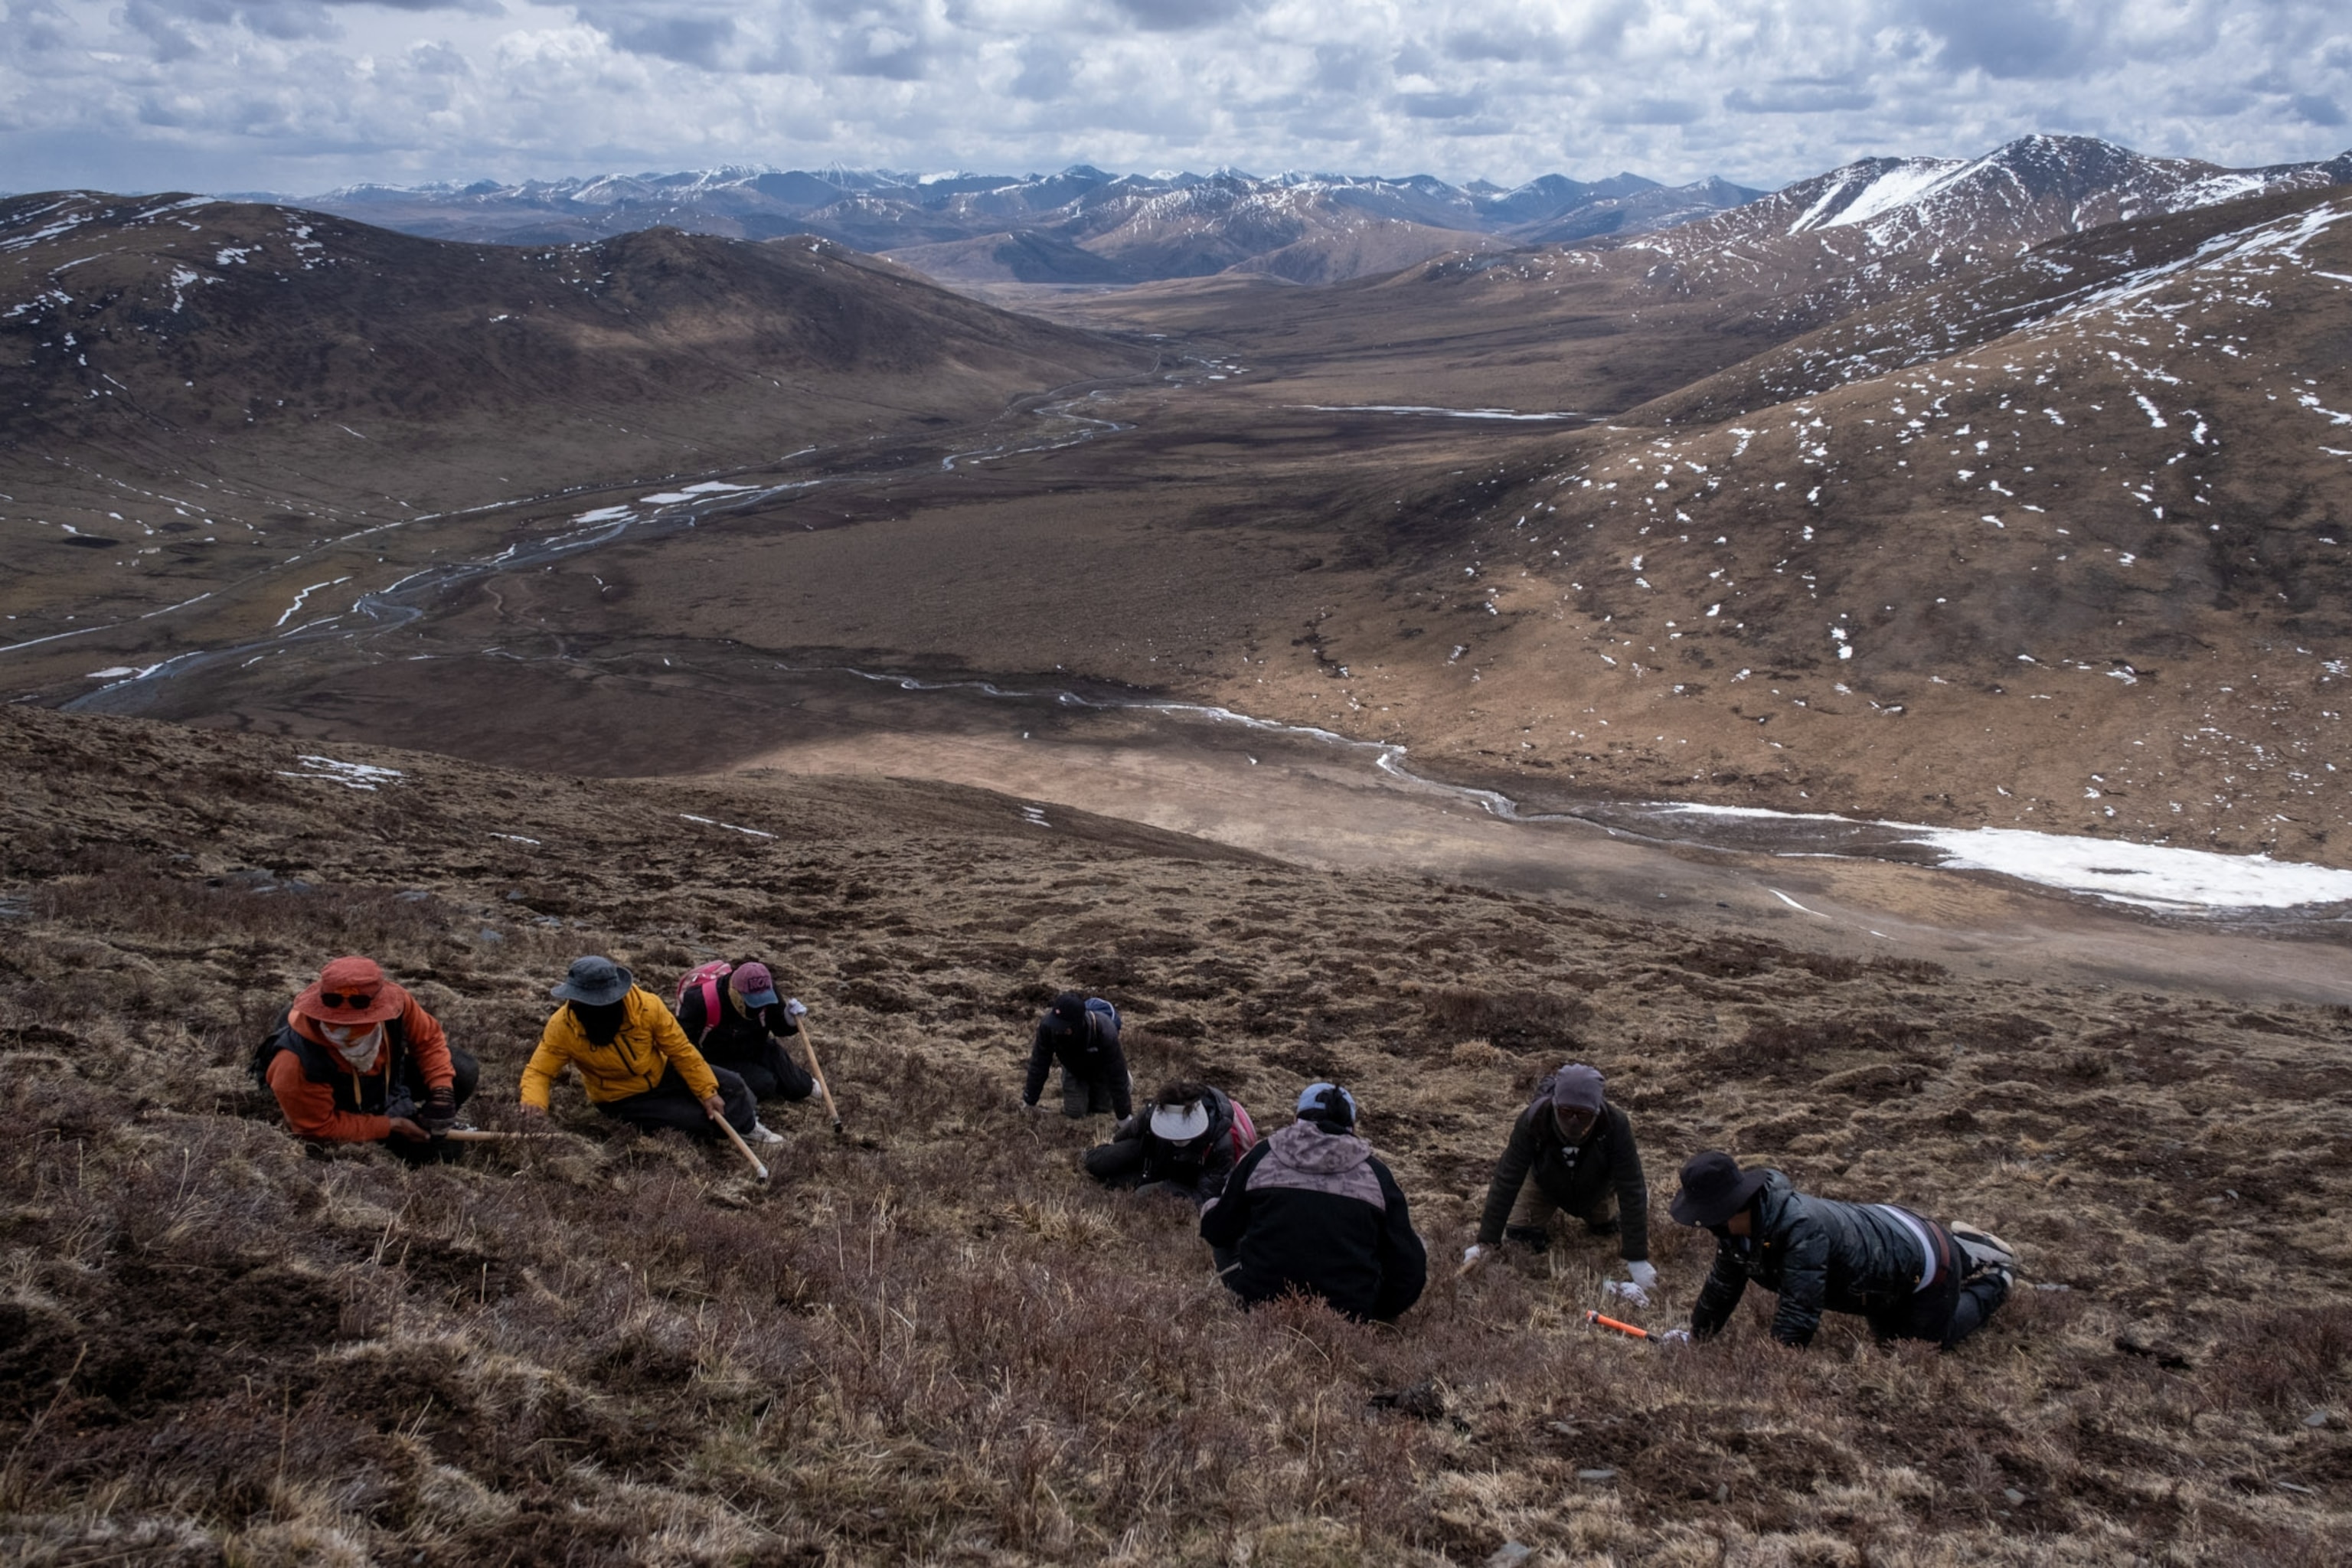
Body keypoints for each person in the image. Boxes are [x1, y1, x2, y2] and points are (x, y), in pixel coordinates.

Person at [1669, 1150, 2016, 1351]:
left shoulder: (1799, 1229)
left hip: (1926, 1262)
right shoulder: (1738, 1234)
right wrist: (1696, 1338)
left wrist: (1774, 1364)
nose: (1707, 1226)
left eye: (1709, 1217)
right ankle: (1966, 1249)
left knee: (1918, 1344)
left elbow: (1799, 1312)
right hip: (1893, 1232)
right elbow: (1722, 1287)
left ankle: (1998, 1280)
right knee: (1891, 1336)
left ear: (1733, 1206)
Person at [1200, 1083, 1427, 1325]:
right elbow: (1408, 1266)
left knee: (1221, 1216)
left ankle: (1245, 1301)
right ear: (1352, 1126)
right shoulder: (1376, 1174)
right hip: (1349, 1315)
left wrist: (1211, 1207)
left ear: (1296, 1118)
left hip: (1259, 1303)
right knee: (1413, 1245)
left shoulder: (1261, 1156)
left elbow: (1217, 1230)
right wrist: (1379, 1310)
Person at [520, 956, 777, 1145]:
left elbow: (680, 1050)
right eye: (578, 1000)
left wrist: (706, 1090)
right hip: (621, 1097)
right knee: (696, 1121)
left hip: (662, 1071)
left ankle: (747, 1126)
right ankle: (725, 1124)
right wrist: (533, 1105)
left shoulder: (647, 1007)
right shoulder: (563, 1026)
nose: (577, 1005)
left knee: (733, 1085)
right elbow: (540, 1071)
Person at [1462, 1063, 1657, 1302]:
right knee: (1522, 1237)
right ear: (1554, 1105)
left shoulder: (1616, 1124)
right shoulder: (1533, 1120)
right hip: (1544, 1184)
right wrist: (1486, 1243)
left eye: (1583, 1115)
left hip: (1596, 1186)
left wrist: (1637, 1258)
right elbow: (1507, 1178)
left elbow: (1631, 1185)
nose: (1574, 1121)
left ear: (1596, 1112)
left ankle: (1601, 1214)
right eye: (1565, 1112)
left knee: (1604, 1228)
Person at [259, 956, 476, 1155]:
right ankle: (404, 1133)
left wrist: (442, 1093)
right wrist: (390, 1126)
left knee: (463, 1070)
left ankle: (430, 1121)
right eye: (338, 1021)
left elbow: (429, 1041)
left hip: (386, 1083)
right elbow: (316, 1127)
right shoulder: (295, 1063)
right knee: (446, 1151)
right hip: (339, 1107)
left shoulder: (398, 1005)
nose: (346, 1028)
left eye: (357, 1020)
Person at [1083, 1080, 1253, 1207]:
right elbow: (1125, 1135)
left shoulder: (1220, 1143)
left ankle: (1140, 1185)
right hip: (1151, 1158)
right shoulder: (1153, 1112)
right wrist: (1117, 1153)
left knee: (1140, 1193)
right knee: (1096, 1163)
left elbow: (1205, 1198)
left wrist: (1165, 1188)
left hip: (1184, 1180)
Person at [673, 959, 816, 1106]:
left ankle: (804, 1084)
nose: (760, 1007)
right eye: (753, 1002)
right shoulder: (699, 1001)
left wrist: (789, 1021)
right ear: (735, 992)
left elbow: (778, 1027)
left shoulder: (767, 988)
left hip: (755, 1046)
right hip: (715, 1057)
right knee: (764, 1083)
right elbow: (682, 1047)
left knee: (799, 1087)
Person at [1020, 991, 1131, 1119]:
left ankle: (1127, 1081)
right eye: (1056, 1024)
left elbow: (1116, 1073)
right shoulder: (1047, 1027)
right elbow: (1039, 1063)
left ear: (1078, 1024)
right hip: (1073, 1069)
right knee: (1075, 1113)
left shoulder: (1104, 1031)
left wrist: (1124, 1117)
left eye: (1063, 1027)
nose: (1058, 1030)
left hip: (1101, 1069)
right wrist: (1029, 1101)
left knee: (1102, 1109)